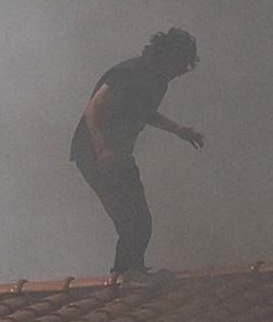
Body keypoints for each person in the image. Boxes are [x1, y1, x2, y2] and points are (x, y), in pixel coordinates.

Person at [69, 27, 207, 274]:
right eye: (180, 64)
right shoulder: (129, 73)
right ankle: (126, 276)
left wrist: (178, 130)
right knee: (132, 220)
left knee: (139, 221)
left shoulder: (157, 81)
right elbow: (94, 108)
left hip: (118, 154)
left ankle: (130, 272)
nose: (180, 72)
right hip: (95, 154)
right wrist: (102, 148)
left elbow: (143, 112)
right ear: (166, 56)